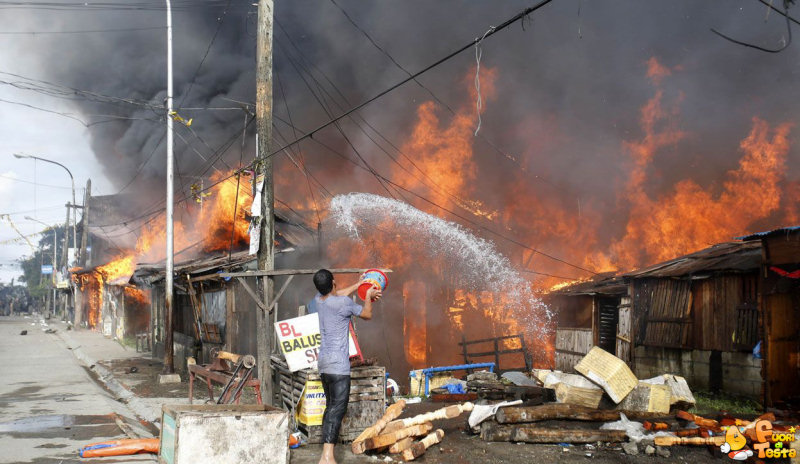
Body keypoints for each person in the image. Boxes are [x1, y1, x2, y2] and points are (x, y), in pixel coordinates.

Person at [312, 269, 381, 464]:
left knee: (330, 408)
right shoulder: (343, 303)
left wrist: (358, 285)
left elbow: (336, 294)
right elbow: (367, 314)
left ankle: (326, 455)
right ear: (333, 283)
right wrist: (367, 295)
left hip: (324, 365)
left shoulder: (319, 299)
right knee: (337, 410)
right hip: (338, 367)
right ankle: (327, 457)